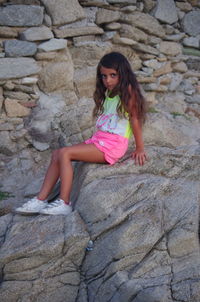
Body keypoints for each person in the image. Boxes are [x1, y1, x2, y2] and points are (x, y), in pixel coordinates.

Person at [16, 52, 147, 216]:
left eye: (113, 75)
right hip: (99, 141)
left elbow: (135, 120)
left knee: (65, 153)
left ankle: (64, 202)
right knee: (57, 154)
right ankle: (40, 200)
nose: (108, 80)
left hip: (113, 146)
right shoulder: (108, 93)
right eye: (104, 76)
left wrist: (140, 148)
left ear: (123, 73)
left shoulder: (128, 92)